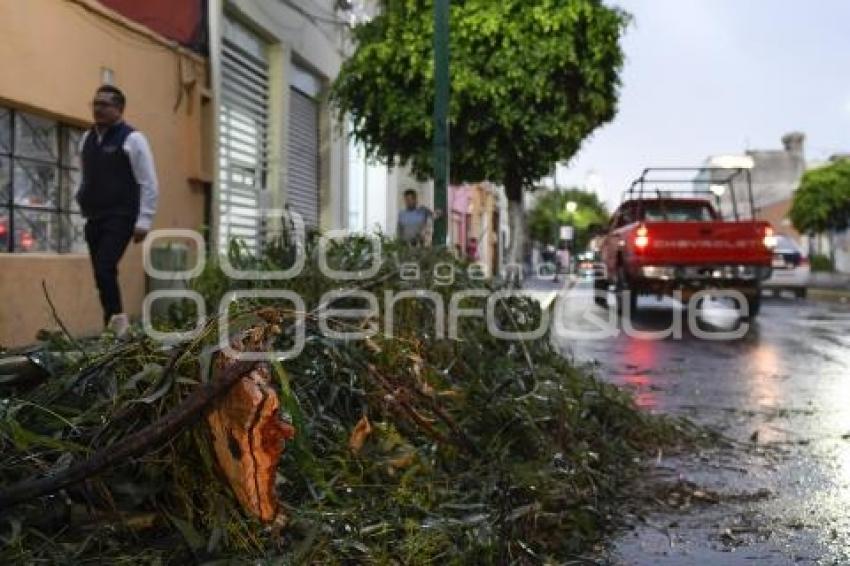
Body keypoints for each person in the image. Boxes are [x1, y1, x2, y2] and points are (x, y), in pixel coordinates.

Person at [75, 85, 159, 337]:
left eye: (104, 104)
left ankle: (118, 326)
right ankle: (111, 326)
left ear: (119, 109)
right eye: (95, 104)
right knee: (102, 274)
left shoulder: (132, 138)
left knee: (104, 266)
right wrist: (80, 198)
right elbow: (85, 175)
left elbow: (148, 181)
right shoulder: (86, 138)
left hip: (121, 216)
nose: (98, 109)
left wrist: (144, 220)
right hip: (94, 217)